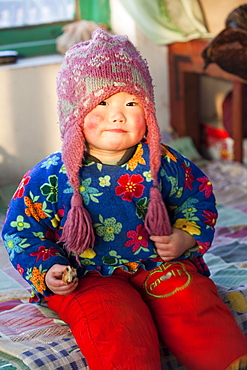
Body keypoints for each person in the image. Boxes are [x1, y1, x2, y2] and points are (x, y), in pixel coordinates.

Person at [2, 29, 247, 370]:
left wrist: (184, 237)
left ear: (147, 110)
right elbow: (21, 231)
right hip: (88, 275)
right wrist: (48, 269)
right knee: (115, 322)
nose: (117, 115)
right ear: (74, 111)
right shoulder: (48, 178)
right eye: (101, 103)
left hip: (158, 265)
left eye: (131, 103)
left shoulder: (166, 163)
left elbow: (198, 199)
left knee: (192, 301)